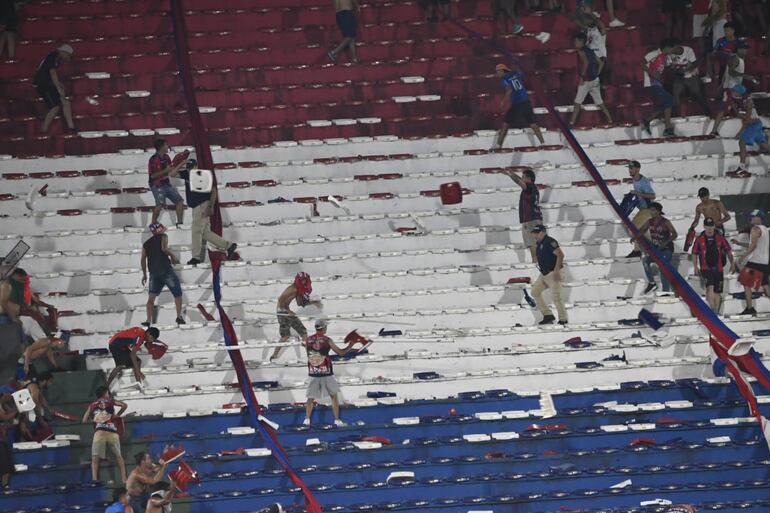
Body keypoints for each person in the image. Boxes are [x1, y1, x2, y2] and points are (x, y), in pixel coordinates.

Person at [178, 167, 237, 266]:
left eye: (192, 166)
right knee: (205, 233)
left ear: (196, 166)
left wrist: (210, 206)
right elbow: (171, 173)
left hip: (201, 206)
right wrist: (180, 163)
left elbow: (213, 190)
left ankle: (195, 257)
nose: (190, 168)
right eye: (188, 166)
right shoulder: (187, 174)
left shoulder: (202, 174)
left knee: (196, 231)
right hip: (197, 207)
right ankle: (229, 246)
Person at [303, 319, 356, 427]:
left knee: (310, 398)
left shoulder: (308, 340)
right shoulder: (327, 340)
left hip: (313, 372)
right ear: (323, 328)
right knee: (334, 397)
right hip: (326, 372)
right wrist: (350, 345)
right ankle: (337, 420)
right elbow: (341, 353)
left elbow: (309, 355)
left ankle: (307, 420)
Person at [270, 273, 322, 361]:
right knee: (285, 336)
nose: (305, 282)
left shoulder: (298, 289)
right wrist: (288, 311)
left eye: (306, 280)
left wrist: (314, 303)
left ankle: (310, 355)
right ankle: (274, 355)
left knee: (303, 332)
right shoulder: (292, 288)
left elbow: (300, 303)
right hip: (282, 312)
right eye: (304, 280)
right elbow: (281, 300)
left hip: (287, 312)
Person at [491, 64, 544, 150]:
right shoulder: (516, 74)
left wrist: (503, 101)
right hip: (526, 101)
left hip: (517, 104)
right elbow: (521, 72)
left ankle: (498, 146)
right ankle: (543, 142)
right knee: (533, 123)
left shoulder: (504, 79)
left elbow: (509, 90)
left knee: (505, 124)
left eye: (497, 71)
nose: (497, 74)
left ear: (502, 71)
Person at [141, 223, 184, 326]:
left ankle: (148, 320)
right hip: (165, 269)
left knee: (151, 298)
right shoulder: (163, 236)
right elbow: (164, 249)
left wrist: (144, 274)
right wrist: (173, 257)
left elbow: (142, 259)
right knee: (177, 294)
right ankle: (179, 317)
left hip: (153, 273)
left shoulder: (146, 244)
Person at [82, 386, 127, 483]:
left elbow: (84, 420)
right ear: (105, 393)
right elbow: (124, 405)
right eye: (108, 392)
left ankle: (94, 479)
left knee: (95, 458)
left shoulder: (92, 404)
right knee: (118, 456)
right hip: (112, 431)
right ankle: (124, 479)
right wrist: (117, 415)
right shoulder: (110, 401)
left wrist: (94, 419)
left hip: (100, 432)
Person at [692, 217, 735, 313]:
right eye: (707, 226)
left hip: (718, 268)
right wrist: (695, 266)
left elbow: (728, 251)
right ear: (704, 226)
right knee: (710, 287)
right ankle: (712, 310)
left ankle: (715, 312)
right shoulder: (699, 239)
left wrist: (732, 264)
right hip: (705, 268)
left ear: (714, 226)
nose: (709, 228)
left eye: (711, 226)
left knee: (717, 291)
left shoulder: (720, 238)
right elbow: (694, 253)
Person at [733, 210, 770, 316]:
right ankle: (749, 307)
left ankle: (750, 308)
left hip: (755, 261)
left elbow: (753, 246)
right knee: (766, 286)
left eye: (753, 217)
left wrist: (743, 256)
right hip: (764, 262)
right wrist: (739, 243)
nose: (751, 218)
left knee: (745, 282)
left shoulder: (755, 229)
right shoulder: (765, 229)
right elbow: (755, 244)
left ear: (759, 218)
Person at [570, 32, 612, 126]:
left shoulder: (580, 52)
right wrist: (597, 74)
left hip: (586, 81)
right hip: (595, 80)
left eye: (576, 41)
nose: (574, 43)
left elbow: (585, 63)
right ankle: (610, 120)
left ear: (581, 42)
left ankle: (571, 123)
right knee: (600, 102)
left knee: (577, 103)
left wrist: (581, 77)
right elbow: (601, 63)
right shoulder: (591, 50)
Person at [636, 202, 678, 294]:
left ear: (658, 211)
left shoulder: (665, 222)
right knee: (645, 261)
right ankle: (652, 283)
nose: (651, 212)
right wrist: (635, 237)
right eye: (650, 210)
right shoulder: (649, 221)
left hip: (667, 249)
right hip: (656, 249)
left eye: (653, 210)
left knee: (662, 268)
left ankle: (665, 292)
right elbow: (642, 230)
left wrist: (665, 243)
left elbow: (675, 234)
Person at [33, 44, 75, 134]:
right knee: (55, 107)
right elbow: (52, 73)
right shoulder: (53, 57)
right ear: (64, 52)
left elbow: (50, 73)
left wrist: (59, 84)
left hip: (46, 84)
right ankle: (43, 130)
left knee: (66, 103)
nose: (68, 58)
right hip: (42, 85)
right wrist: (58, 88)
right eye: (68, 55)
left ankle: (71, 127)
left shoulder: (55, 57)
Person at [530, 224, 567, 325]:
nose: (535, 235)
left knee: (556, 297)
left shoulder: (550, 241)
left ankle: (563, 320)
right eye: (534, 233)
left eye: (537, 233)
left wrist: (556, 271)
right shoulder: (539, 243)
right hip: (544, 273)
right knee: (535, 292)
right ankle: (548, 315)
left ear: (543, 232)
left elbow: (560, 255)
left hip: (553, 272)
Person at [504, 168, 543, 262]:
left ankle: (535, 263)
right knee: (534, 243)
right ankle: (537, 262)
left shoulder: (529, 187)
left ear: (528, 178)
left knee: (532, 243)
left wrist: (511, 175)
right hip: (535, 218)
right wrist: (512, 174)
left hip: (531, 219)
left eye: (523, 177)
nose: (522, 178)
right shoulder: (533, 187)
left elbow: (519, 182)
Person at [667, 40, 711, 117]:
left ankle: (708, 112)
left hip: (691, 75)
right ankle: (676, 115)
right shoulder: (670, 54)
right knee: (675, 95)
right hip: (679, 76)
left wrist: (684, 70)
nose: (671, 51)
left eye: (672, 48)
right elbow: (670, 67)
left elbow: (694, 64)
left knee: (697, 93)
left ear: (677, 46)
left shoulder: (688, 50)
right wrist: (676, 70)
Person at [640, 39, 675, 137]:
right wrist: (651, 72)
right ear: (667, 47)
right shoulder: (654, 53)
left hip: (658, 84)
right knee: (669, 100)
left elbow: (670, 66)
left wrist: (674, 66)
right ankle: (668, 128)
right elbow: (642, 63)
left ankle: (648, 120)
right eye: (672, 48)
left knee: (668, 102)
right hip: (650, 83)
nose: (673, 50)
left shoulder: (667, 57)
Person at [148, 140, 186, 226]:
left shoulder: (166, 157)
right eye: (166, 145)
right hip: (156, 185)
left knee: (179, 201)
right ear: (161, 147)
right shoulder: (153, 159)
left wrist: (180, 164)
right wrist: (166, 170)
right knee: (160, 205)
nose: (168, 147)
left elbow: (171, 169)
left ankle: (180, 223)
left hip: (166, 183)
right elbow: (152, 176)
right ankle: (153, 224)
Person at [734, 88, 770, 173]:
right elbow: (743, 118)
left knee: (741, 142)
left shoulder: (748, 101)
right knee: (765, 146)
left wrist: (740, 133)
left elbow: (747, 119)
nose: (732, 93)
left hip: (754, 125)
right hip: (755, 125)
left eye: (734, 91)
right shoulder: (739, 102)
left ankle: (742, 168)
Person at [626, 161, 657, 258]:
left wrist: (638, 194)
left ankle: (639, 250)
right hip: (643, 209)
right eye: (629, 168)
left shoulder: (643, 181)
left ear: (638, 169)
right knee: (640, 230)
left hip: (647, 209)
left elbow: (653, 196)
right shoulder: (635, 180)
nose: (630, 170)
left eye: (632, 168)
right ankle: (651, 248)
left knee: (632, 229)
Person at [574, 3, 608, 73]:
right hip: (589, 60)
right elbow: (578, 22)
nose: (585, 20)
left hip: (599, 58)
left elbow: (601, 25)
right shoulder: (586, 31)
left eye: (587, 19)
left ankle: (595, 78)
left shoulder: (599, 31)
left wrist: (590, 14)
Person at [0, 393, 18, 488]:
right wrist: (17, 411)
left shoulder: (3, 406)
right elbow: (3, 417)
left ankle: (5, 484)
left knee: (7, 462)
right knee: (4, 462)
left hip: (2, 439)